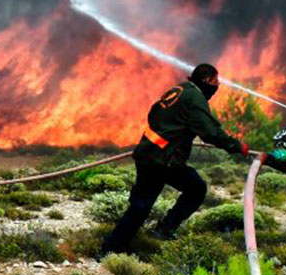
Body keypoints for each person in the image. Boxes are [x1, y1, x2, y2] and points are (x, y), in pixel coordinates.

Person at [99, 63, 248, 253]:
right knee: (196, 188)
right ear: (207, 80)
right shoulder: (195, 97)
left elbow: (154, 113)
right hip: (163, 160)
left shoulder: (179, 90)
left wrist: (177, 133)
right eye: (215, 82)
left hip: (148, 154)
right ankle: (163, 230)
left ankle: (111, 248)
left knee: (140, 206)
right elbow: (211, 132)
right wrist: (236, 146)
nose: (216, 87)